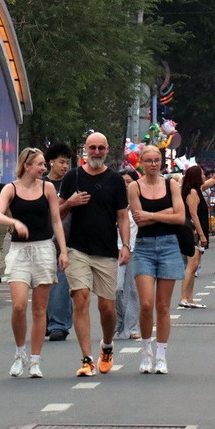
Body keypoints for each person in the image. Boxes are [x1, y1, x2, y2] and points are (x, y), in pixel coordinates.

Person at [0, 148, 68, 378]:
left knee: (40, 308)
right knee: (19, 306)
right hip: (19, 251)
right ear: (26, 165)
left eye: (45, 164)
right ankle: (19, 353)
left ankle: (35, 360)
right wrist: (14, 221)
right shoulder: (10, 188)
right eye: (40, 164)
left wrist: (62, 251)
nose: (44, 168)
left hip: (44, 248)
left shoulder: (48, 188)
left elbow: (56, 220)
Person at [58, 132, 130, 377]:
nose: (96, 152)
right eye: (92, 148)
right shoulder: (72, 177)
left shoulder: (115, 180)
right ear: (84, 150)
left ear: (107, 149)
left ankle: (107, 346)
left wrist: (126, 245)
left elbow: (122, 216)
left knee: (107, 309)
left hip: (107, 251)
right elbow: (56, 213)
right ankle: (87, 359)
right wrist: (70, 203)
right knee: (81, 298)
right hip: (77, 249)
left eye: (101, 148)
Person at [128, 145, 186, 374]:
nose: (153, 164)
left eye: (157, 160)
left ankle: (161, 355)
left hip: (169, 246)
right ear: (141, 162)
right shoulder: (134, 187)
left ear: (161, 162)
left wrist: (152, 215)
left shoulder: (171, 184)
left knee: (163, 306)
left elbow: (180, 217)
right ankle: (146, 351)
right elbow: (138, 221)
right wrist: (166, 215)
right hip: (143, 248)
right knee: (146, 303)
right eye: (149, 160)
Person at [179, 153, 215, 309]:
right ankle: (184, 297)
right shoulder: (193, 193)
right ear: (196, 176)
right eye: (201, 173)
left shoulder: (197, 188)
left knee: (194, 265)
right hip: (194, 232)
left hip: (197, 231)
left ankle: (189, 298)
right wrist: (202, 234)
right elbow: (193, 214)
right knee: (191, 265)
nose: (204, 175)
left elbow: (214, 179)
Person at [44, 142, 74, 341]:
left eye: (67, 163)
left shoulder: (72, 183)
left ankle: (59, 325)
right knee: (44, 284)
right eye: (61, 162)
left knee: (61, 283)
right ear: (50, 162)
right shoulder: (42, 185)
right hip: (43, 239)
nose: (64, 166)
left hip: (68, 241)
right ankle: (47, 319)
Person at [115, 170, 141, 339]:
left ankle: (132, 327)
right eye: (122, 181)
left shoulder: (140, 203)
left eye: (129, 181)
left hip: (134, 250)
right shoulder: (113, 203)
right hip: (114, 250)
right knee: (116, 289)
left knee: (131, 290)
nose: (125, 184)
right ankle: (119, 324)